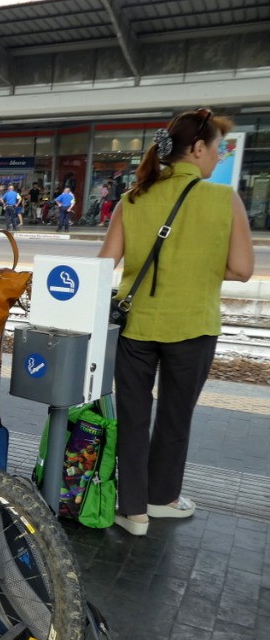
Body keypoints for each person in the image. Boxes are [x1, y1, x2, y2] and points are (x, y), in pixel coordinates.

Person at [98, 108, 254, 537]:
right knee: (175, 415)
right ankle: (162, 498)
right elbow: (241, 269)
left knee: (132, 414)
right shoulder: (224, 199)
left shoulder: (134, 198)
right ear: (198, 148)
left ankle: (133, 511)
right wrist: (197, 267)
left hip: (135, 328)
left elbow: (104, 264)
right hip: (194, 326)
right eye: (218, 149)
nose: (219, 158)